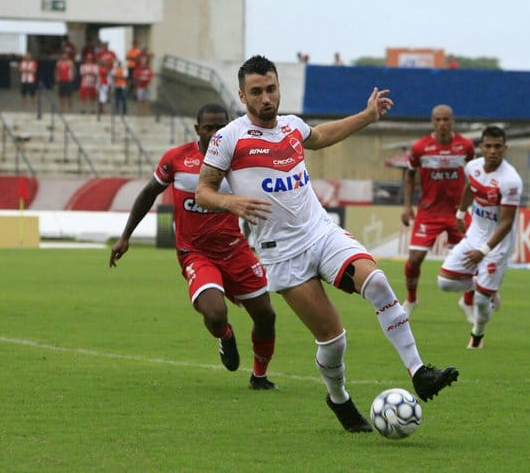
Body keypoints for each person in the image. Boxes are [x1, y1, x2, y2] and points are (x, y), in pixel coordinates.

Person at [195, 55, 459, 433]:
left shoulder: (291, 126)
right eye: (257, 92)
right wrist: (230, 201)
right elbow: (204, 191)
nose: (266, 98)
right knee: (333, 341)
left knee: (379, 282)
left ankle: (419, 372)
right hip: (281, 254)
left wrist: (367, 116)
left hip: (320, 232)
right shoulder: (228, 138)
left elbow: (322, 136)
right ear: (242, 95)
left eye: (271, 89)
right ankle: (338, 399)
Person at [109, 103, 278, 390]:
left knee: (266, 315)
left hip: (235, 250)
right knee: (214, 313)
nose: (214, 133)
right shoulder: (177, 159)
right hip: (196, 253)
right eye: (208, 127)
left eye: (220, 127)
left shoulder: (239, 161)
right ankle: (225, 335)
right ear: (197, 129)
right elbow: (149, 192)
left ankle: (259, 377)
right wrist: (126, 236)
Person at [437, 125, 523, 349]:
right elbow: (470, 188)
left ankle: (477, 336)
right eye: (488, 146)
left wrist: (483, 251)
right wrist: (461, 212)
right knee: (445, 282)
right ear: (481, 147)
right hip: (475, 233)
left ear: (505, 148)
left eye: (498, 146)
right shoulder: (473, 167)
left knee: (482, 303)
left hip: (497, 244)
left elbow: (506, 222)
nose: (493, 151)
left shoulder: (511, 181)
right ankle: (481, 286)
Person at [401, 104, 475, 317]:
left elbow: (474, 176)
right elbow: (409, 175)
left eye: (446, 119)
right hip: (429, 212)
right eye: (438, 120)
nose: (442, 123)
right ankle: (411, 299)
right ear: (432, 122)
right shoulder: (420, 148)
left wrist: (473, 205)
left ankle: (467, 302)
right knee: (415, 258)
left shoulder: (466, 146)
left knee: (472, 256)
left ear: (453, 121)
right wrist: (407, 207)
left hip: (457, 212)